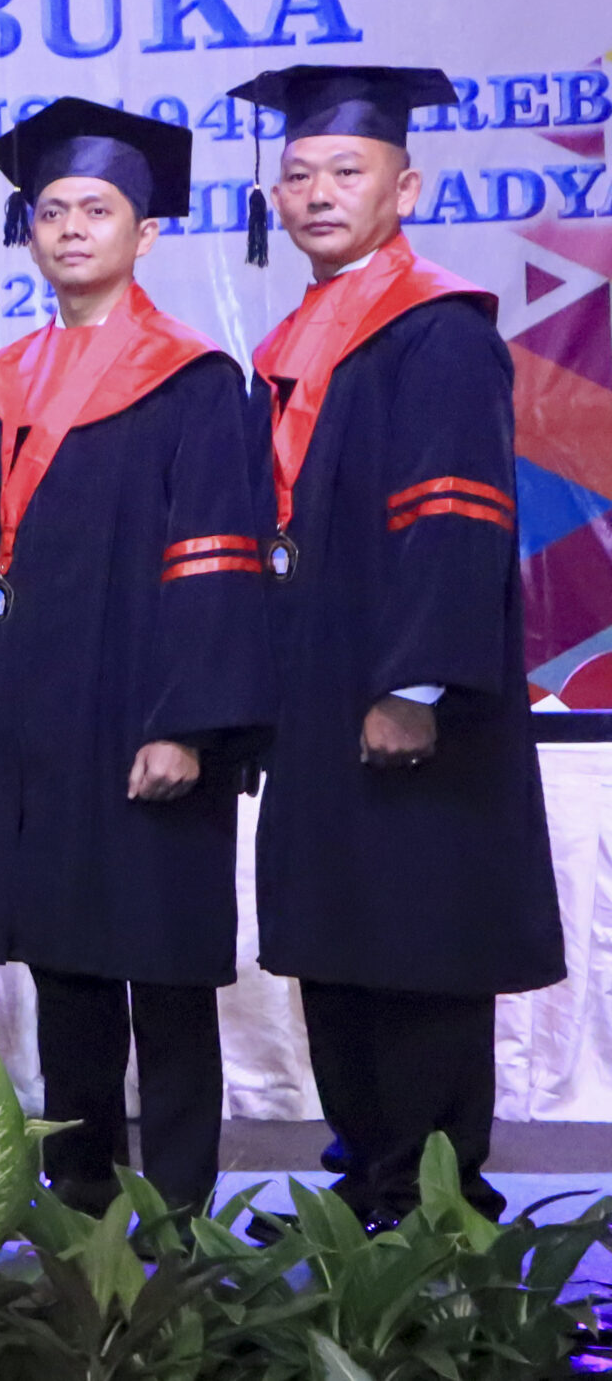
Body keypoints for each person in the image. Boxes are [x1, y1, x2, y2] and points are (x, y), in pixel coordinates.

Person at [0, 100, 273, 1219]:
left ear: (145, 232)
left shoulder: (193, 380)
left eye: (98, 210)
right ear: (28, 231)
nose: (72, 228)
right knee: (65, 964)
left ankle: (173, 1214)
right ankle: (79, 1201)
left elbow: (217, 564)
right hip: (29, 718)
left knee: (164, 973)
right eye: (53, 211)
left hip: (142, 713)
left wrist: (187, 724)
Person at [232, 63, 563, 1225]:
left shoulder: (436, 330)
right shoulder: (295, 340)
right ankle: (367, 1186)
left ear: (404, 188)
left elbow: (455, 520)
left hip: (408, 700)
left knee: (419, 953)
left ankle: (435, 1212)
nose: (318, 192)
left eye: (347, 170)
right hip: (315, 696)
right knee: (339, 948)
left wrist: (413, 686)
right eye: (298, 175)